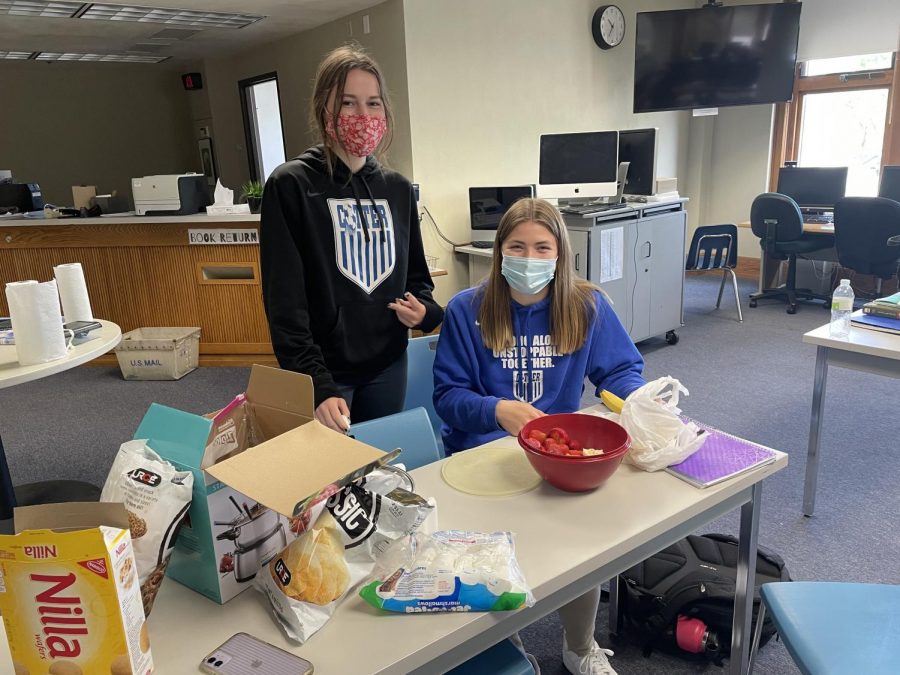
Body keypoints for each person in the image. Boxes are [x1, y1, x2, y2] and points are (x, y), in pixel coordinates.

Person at [433, 197, 646, 675]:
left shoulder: (587, 305)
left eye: (542, 248)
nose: (529, 259)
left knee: (583, 548)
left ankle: (579, 645)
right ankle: (508, 646)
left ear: (559, 254)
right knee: (494, 561)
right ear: (499, 251)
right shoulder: (466, 310)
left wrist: (640, 402)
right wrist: (497, 410)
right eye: (518, 247)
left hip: (560, 456)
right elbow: (448, 397)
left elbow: (622, 370)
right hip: (483, 454)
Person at [260, 45, 442, 432]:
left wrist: (426, 311)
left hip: (389, 364)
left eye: (373, 103)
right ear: (324, 110)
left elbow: (418, 280)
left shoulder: (398, 189)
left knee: (379, 476)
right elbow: (284, 304)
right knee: (328, 482)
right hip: (326, 372)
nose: (364, 116)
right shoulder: (291, 185)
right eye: (348, 102)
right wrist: (317, 385)